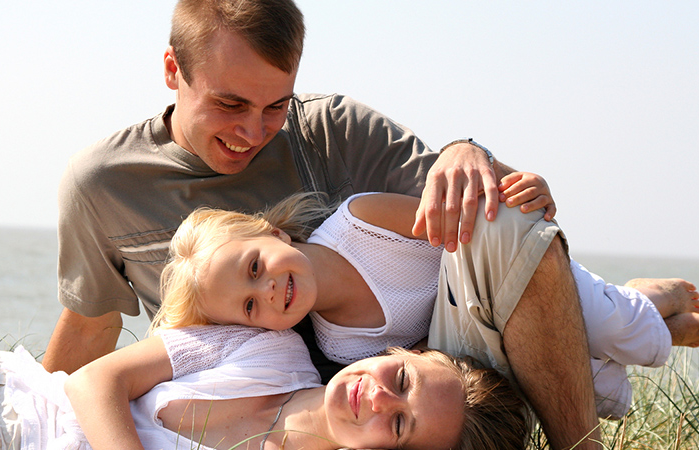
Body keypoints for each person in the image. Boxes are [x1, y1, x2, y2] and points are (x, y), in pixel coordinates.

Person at [42, 0, 598, 447]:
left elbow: (462, 200)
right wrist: (33, 410)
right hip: (283, 410)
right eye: (231, 104)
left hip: (410, 380)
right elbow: (90, 329)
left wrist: (465, 149)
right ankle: (645, 313)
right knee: (612, 342)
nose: (254, 132)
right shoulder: (104, 186)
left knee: (504, 228)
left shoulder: (329, 129)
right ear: (173, 70)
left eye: (275, 106)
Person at [147, 186, 699, 418]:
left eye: (254, 267)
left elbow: (469, 223)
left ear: (274, 232)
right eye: (249, 306)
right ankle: (640, 308)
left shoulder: (360, 221)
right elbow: (426, 352)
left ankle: (647, 303)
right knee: (606, 394)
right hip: (490, 329)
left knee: (618, 329)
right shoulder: (336, 345)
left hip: (505, 277)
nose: (266, 291)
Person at [0, 324, 530, 450]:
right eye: (400, 378)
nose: (379, 397)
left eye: (399, 423)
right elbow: (97, 380)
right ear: (401, 350)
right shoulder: (270, 345)